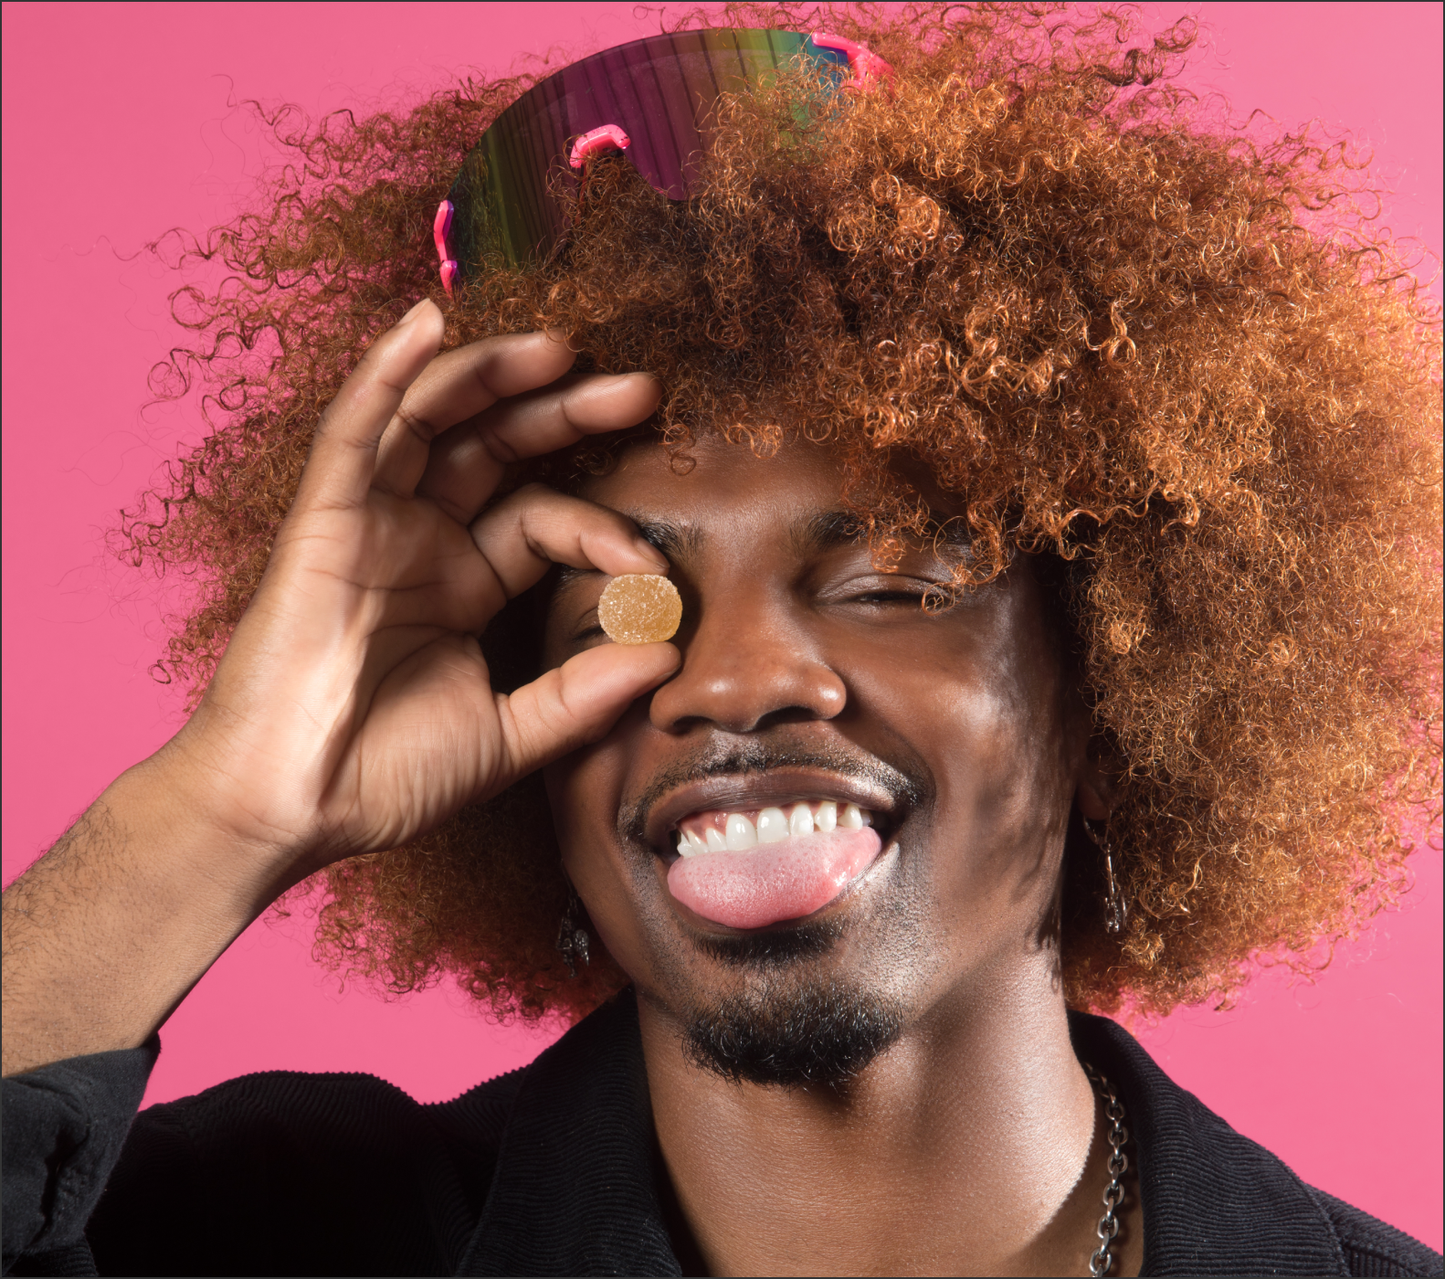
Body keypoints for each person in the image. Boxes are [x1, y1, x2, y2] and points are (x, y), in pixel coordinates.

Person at [2, 8, 1441, 1277]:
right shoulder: (273, 1237)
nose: (736, 681)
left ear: (1109, 700)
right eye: (627, 606)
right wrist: (218, 809)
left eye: (891, 583)